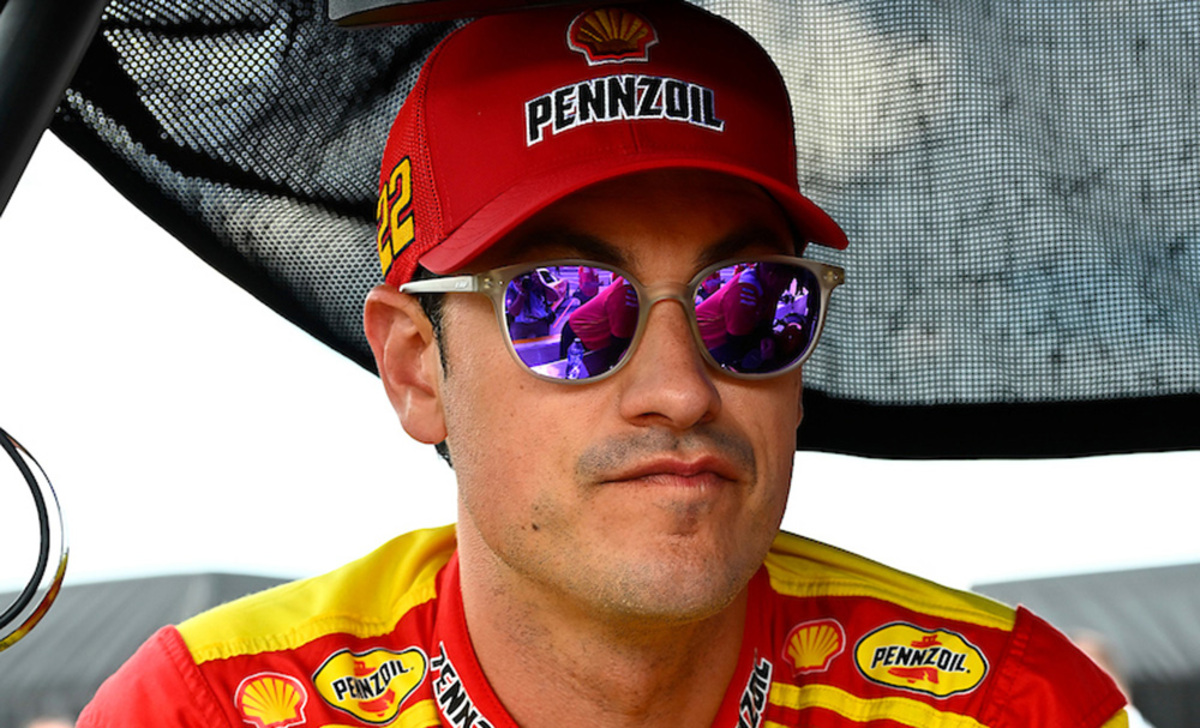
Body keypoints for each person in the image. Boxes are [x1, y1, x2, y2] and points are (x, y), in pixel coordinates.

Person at [79, 3, 1130, 727]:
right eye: (566, 307)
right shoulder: (202, 711)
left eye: (750, 305)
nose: (679, 389)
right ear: (415, 369)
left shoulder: (1016, 707)